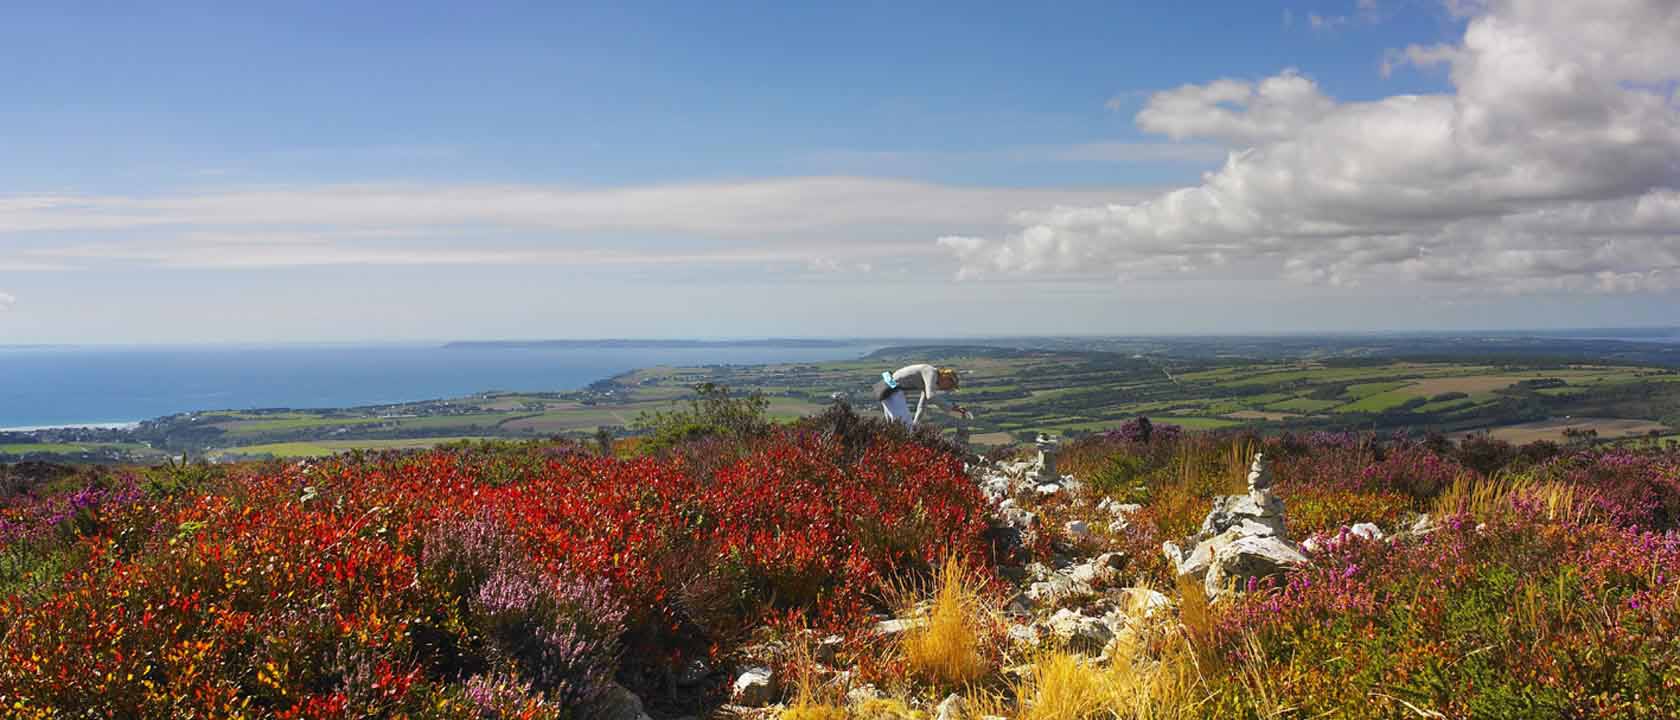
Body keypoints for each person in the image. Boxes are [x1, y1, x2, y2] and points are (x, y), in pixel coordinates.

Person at [874, 363, 972, 428]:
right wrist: (952, 407)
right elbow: (931, 396)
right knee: (904, 425)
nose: (948, 389)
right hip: (892, 390)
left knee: (894, 425)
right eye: (950, 385)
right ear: (946, 378)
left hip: (889, 390)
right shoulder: (930, 372)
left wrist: (916, 423)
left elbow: (922, 405)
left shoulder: (931, 381)